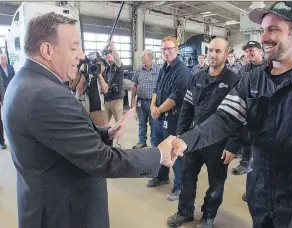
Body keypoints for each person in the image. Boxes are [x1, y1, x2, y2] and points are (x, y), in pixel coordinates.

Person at [2, 12, 175, 228]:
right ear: (47, 50)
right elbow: (102, 160)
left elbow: (58, 139)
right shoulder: (47, 95)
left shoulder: (25, 80)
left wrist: (105, 133)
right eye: (74, 47)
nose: (82, 55)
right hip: (65, 213)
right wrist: (157, 154)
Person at [169, 2, 292, 228]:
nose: (264, 38)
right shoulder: (253, 79)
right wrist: (186, 140)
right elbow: (224, 119)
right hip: (260, 189)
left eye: (273, 30)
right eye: (263, 30)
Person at [167, 38, 241, 228]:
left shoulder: (234, 81)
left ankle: (208, 215)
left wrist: (233, 145)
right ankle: (185, 212)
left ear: (226, 54)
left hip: (219, 143)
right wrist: (181, 136)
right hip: (194, 139)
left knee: (216, 182)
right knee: (186, 177)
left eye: (218, 51)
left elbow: (238, 117)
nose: (213, 55)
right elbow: (187, 109)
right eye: (210, 51)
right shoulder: (197, 78)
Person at [147, 36, 191, 201]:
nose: (166, 52)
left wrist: (158, 109)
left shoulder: (183, 71)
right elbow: (156, 88)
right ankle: (162, 176)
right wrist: (152, 106)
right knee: (159, 147)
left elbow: (176, 97)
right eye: (163, 49)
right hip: (159, 117)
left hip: (173, 119)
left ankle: (179, 185)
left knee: (175, 152)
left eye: (169, 49)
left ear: (177, 49)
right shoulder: (163, 68)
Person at [231, 40, 266, 177]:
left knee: (262, 143)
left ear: (260, 51)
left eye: (252, 50)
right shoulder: (244, 70)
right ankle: (245, 163)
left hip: (265, 111)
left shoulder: (269, 67)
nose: (248, 53)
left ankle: (260, 168)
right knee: (246, 138)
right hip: (248, 110)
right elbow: (236, 89)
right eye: (246, 51)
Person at [131, 49, 161, 149]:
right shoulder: (139, 69)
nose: (141, 57)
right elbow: (134, 85)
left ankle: (153, 144)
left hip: (152, 102)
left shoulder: (158, 70)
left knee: (154, 124)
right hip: (140, 101)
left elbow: (161, 87)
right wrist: (132, 100)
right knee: (141, 123)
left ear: (150, 57)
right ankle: (141, 142)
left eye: (143, 55)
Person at [102, 40, 124, 148]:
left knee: (118, 124)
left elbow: (117, 57)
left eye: (109, 56)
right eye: (106, 57)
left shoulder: (119, 66)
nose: (107, 58)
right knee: (105, 124)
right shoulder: (106, 69)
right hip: (106, 101)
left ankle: (118, 144)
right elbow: (102, 53)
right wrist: (106, 47)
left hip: (116, 101)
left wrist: (112, 46)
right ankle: (107, 143)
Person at [76, 57, 109, 126]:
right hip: (86, 111)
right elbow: (79, 91)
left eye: (98, 65)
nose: (94, 67)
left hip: (99, 111)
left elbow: (105, 90)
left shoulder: (102, 77)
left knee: (101, 133)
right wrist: (83, 76)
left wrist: (99, 75)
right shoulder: (85, 76)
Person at [0, 54, 13, 149]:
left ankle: (2, 141)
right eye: (1, 58)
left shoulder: (10, 67)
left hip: (7, 92)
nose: (2, 60)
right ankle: (1, 141)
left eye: (4, 58)